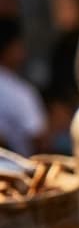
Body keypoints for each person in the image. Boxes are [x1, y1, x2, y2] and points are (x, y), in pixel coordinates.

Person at [0, 18, 47, 157]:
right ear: (11, 47)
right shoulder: (18, 91)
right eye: (19, 45)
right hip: (16, 168)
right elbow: (38, 139)